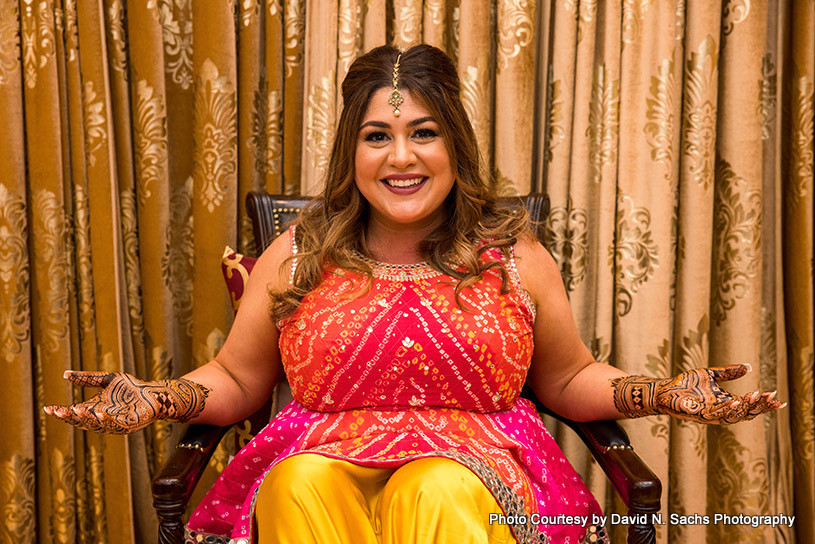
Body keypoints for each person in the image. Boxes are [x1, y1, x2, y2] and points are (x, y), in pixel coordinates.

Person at [45, 44, 784, 544]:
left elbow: (565, 378)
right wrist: (157, 396)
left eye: (422, 132)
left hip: (473, 481)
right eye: (376, 137)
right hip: (322, 470)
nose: (400, 157)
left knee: (434, 489)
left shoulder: (509, 252)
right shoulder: (303, 249)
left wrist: (661, 394)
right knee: (296, 481)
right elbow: (238, 379)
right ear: (352, 151)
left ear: (453, 145)